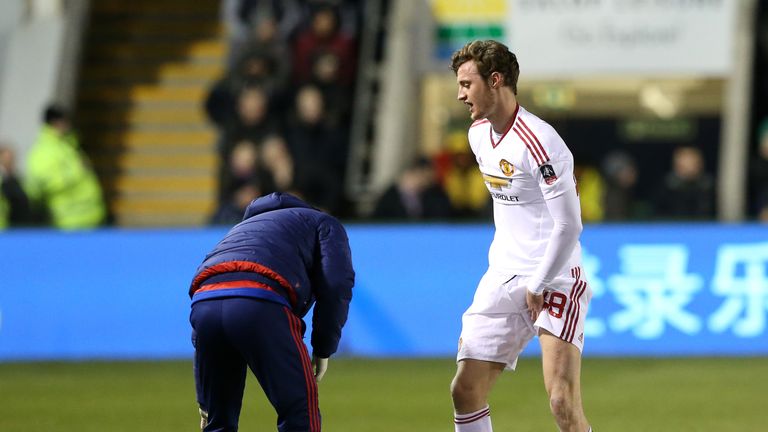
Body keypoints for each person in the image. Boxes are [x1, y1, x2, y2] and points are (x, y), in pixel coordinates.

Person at [449, 40, 594, 432]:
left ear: (495, 81)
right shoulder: (478, 135)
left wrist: (539, 281)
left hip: (556, 276)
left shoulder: (542, 142)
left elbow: (569, 225)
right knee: (465, 390)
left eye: (467, 84)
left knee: (562, 401)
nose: (461, 94)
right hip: (503, 276)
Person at [189, 192, 355, 431]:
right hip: (262, 300)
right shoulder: (322, 222)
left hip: (204, 304)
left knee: (218, 421)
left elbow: (209, 302)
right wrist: (323, 348)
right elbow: (336, 283)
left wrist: (205, 399)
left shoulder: (238, 230)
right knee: (299, 411)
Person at [24, 105, 106, 229]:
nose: (69, 125)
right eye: (66, 121)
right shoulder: (45, 150)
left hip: (90, 218)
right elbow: (44, 183)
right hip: (69, 222)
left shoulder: (68, 145)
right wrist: (77, 171)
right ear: (56, 123)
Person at [654, 145, 715, 220]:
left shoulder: (708, 186)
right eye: (685, 163)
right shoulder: (666, 186)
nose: (689, 168)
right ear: (677, 165)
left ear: (700, 164)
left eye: (693, 163)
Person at [0, 145, 31, 228]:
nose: (9, 161)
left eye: (11, 158)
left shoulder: (16, 178)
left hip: (13, 224)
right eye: (6, 158)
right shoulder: (3, 179)